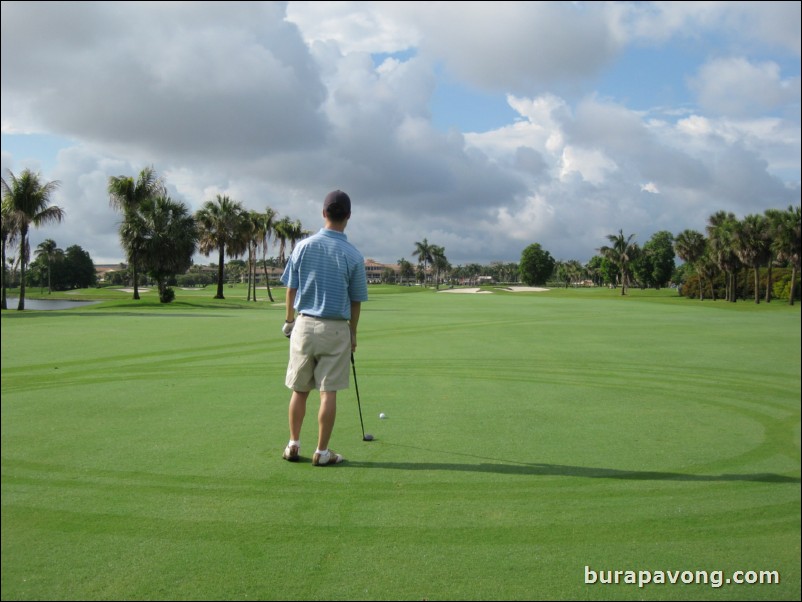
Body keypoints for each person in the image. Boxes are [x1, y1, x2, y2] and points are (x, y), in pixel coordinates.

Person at [279, 190, 369, 466]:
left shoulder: (303, 247)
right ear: (349, 217)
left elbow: (291, 288)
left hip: (304, 326)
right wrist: (353, 334)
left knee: (300, 390)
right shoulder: (353, 255)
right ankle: (322, 452)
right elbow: (356, 302)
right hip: (335, 329)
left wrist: (289, 321)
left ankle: (293, 444)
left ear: (323, 213)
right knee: (327, 392)